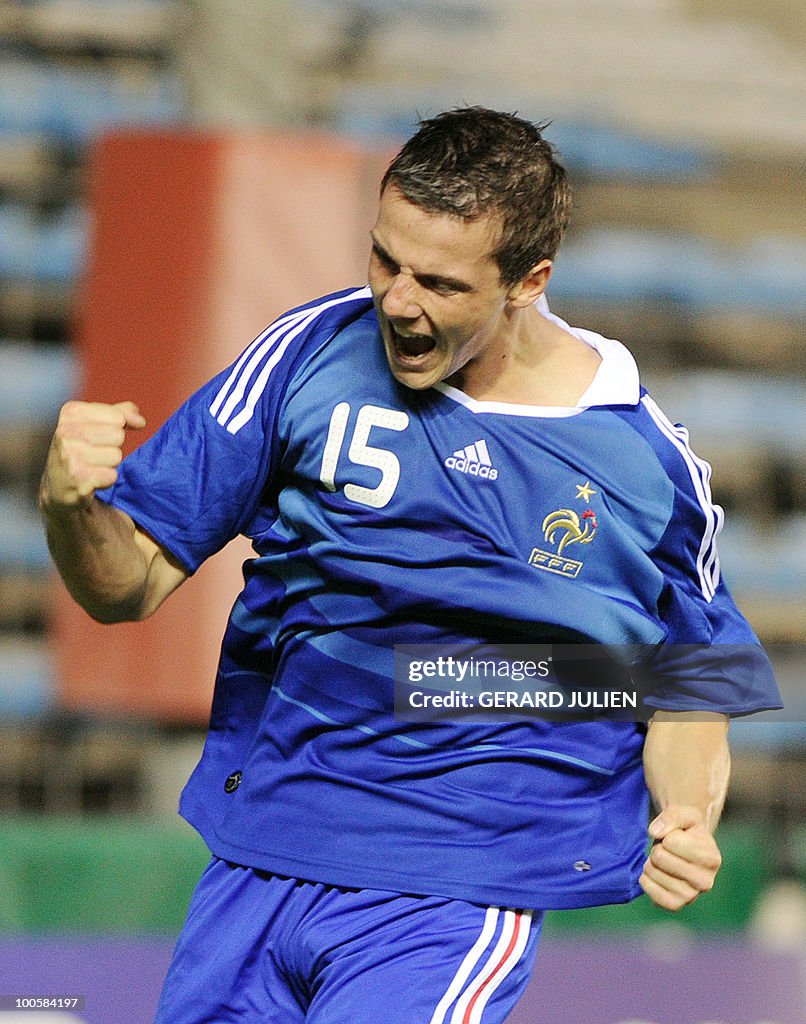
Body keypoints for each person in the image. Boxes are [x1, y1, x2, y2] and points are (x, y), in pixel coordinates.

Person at [40, 107, 781, 1024]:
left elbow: (692, 678)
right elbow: (127, 582)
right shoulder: (307, 354)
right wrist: (71, 510)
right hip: (264, 848)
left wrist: (687, 813)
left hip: (455, 883)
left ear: (528, 281)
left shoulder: (637, 460)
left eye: (437, 281)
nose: (397, 301)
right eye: (385, 260)